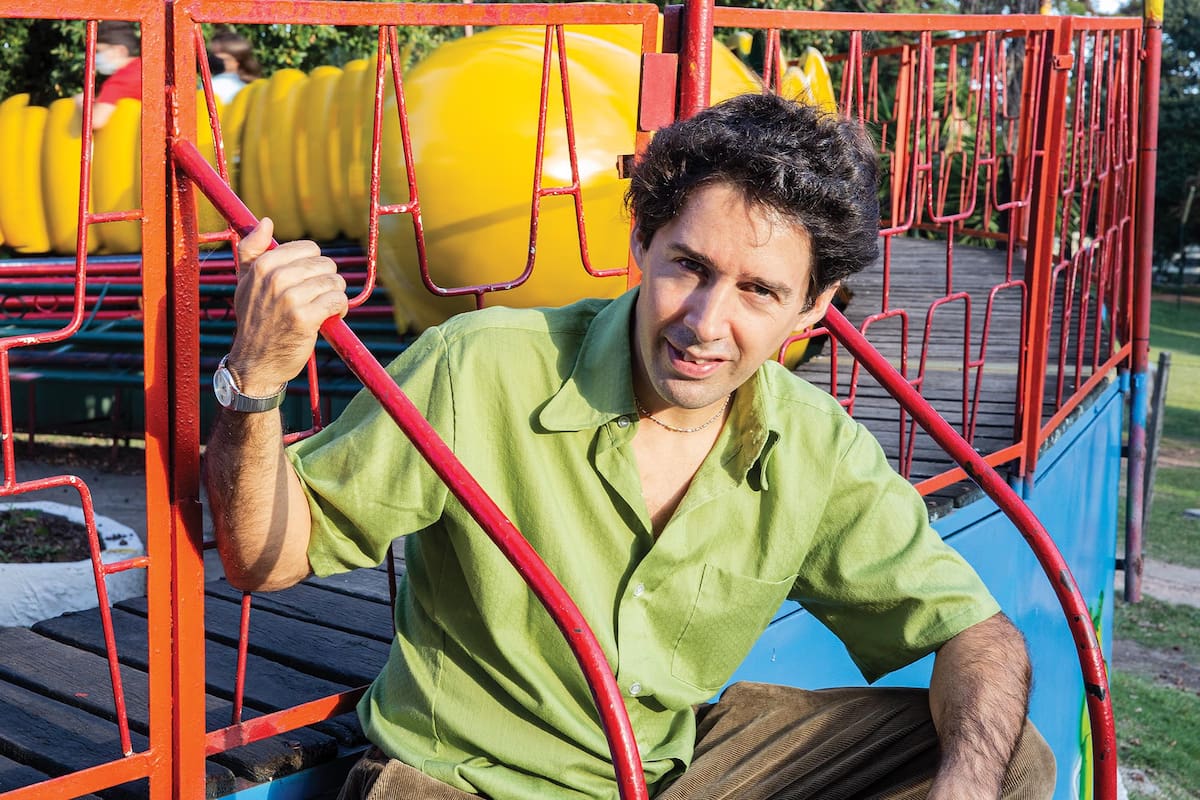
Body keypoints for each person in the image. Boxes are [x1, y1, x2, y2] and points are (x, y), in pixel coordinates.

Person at [204, 92, 1056, 800]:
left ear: (813, 307)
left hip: (662, 776)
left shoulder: (813, 443)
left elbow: (976, 634)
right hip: (464, 782)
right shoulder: (483, 365)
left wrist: (966, 793)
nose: (705, 323)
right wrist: (255, 382)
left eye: (759, 290)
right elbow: (264, 558)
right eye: (690, 266)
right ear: (642, 243)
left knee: (1005, 753)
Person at [75, 20, 141, 131]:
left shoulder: (120, 81)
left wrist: (81, 103)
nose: (95, 57)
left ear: (120, 51)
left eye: (99, 51)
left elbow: (96, 120)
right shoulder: (149, 66)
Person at [206, 26, 260, 104]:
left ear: (237, 61)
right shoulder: (253, 86)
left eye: (218, 54)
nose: (213, 58)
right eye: (212, 54)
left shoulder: (215, 85)